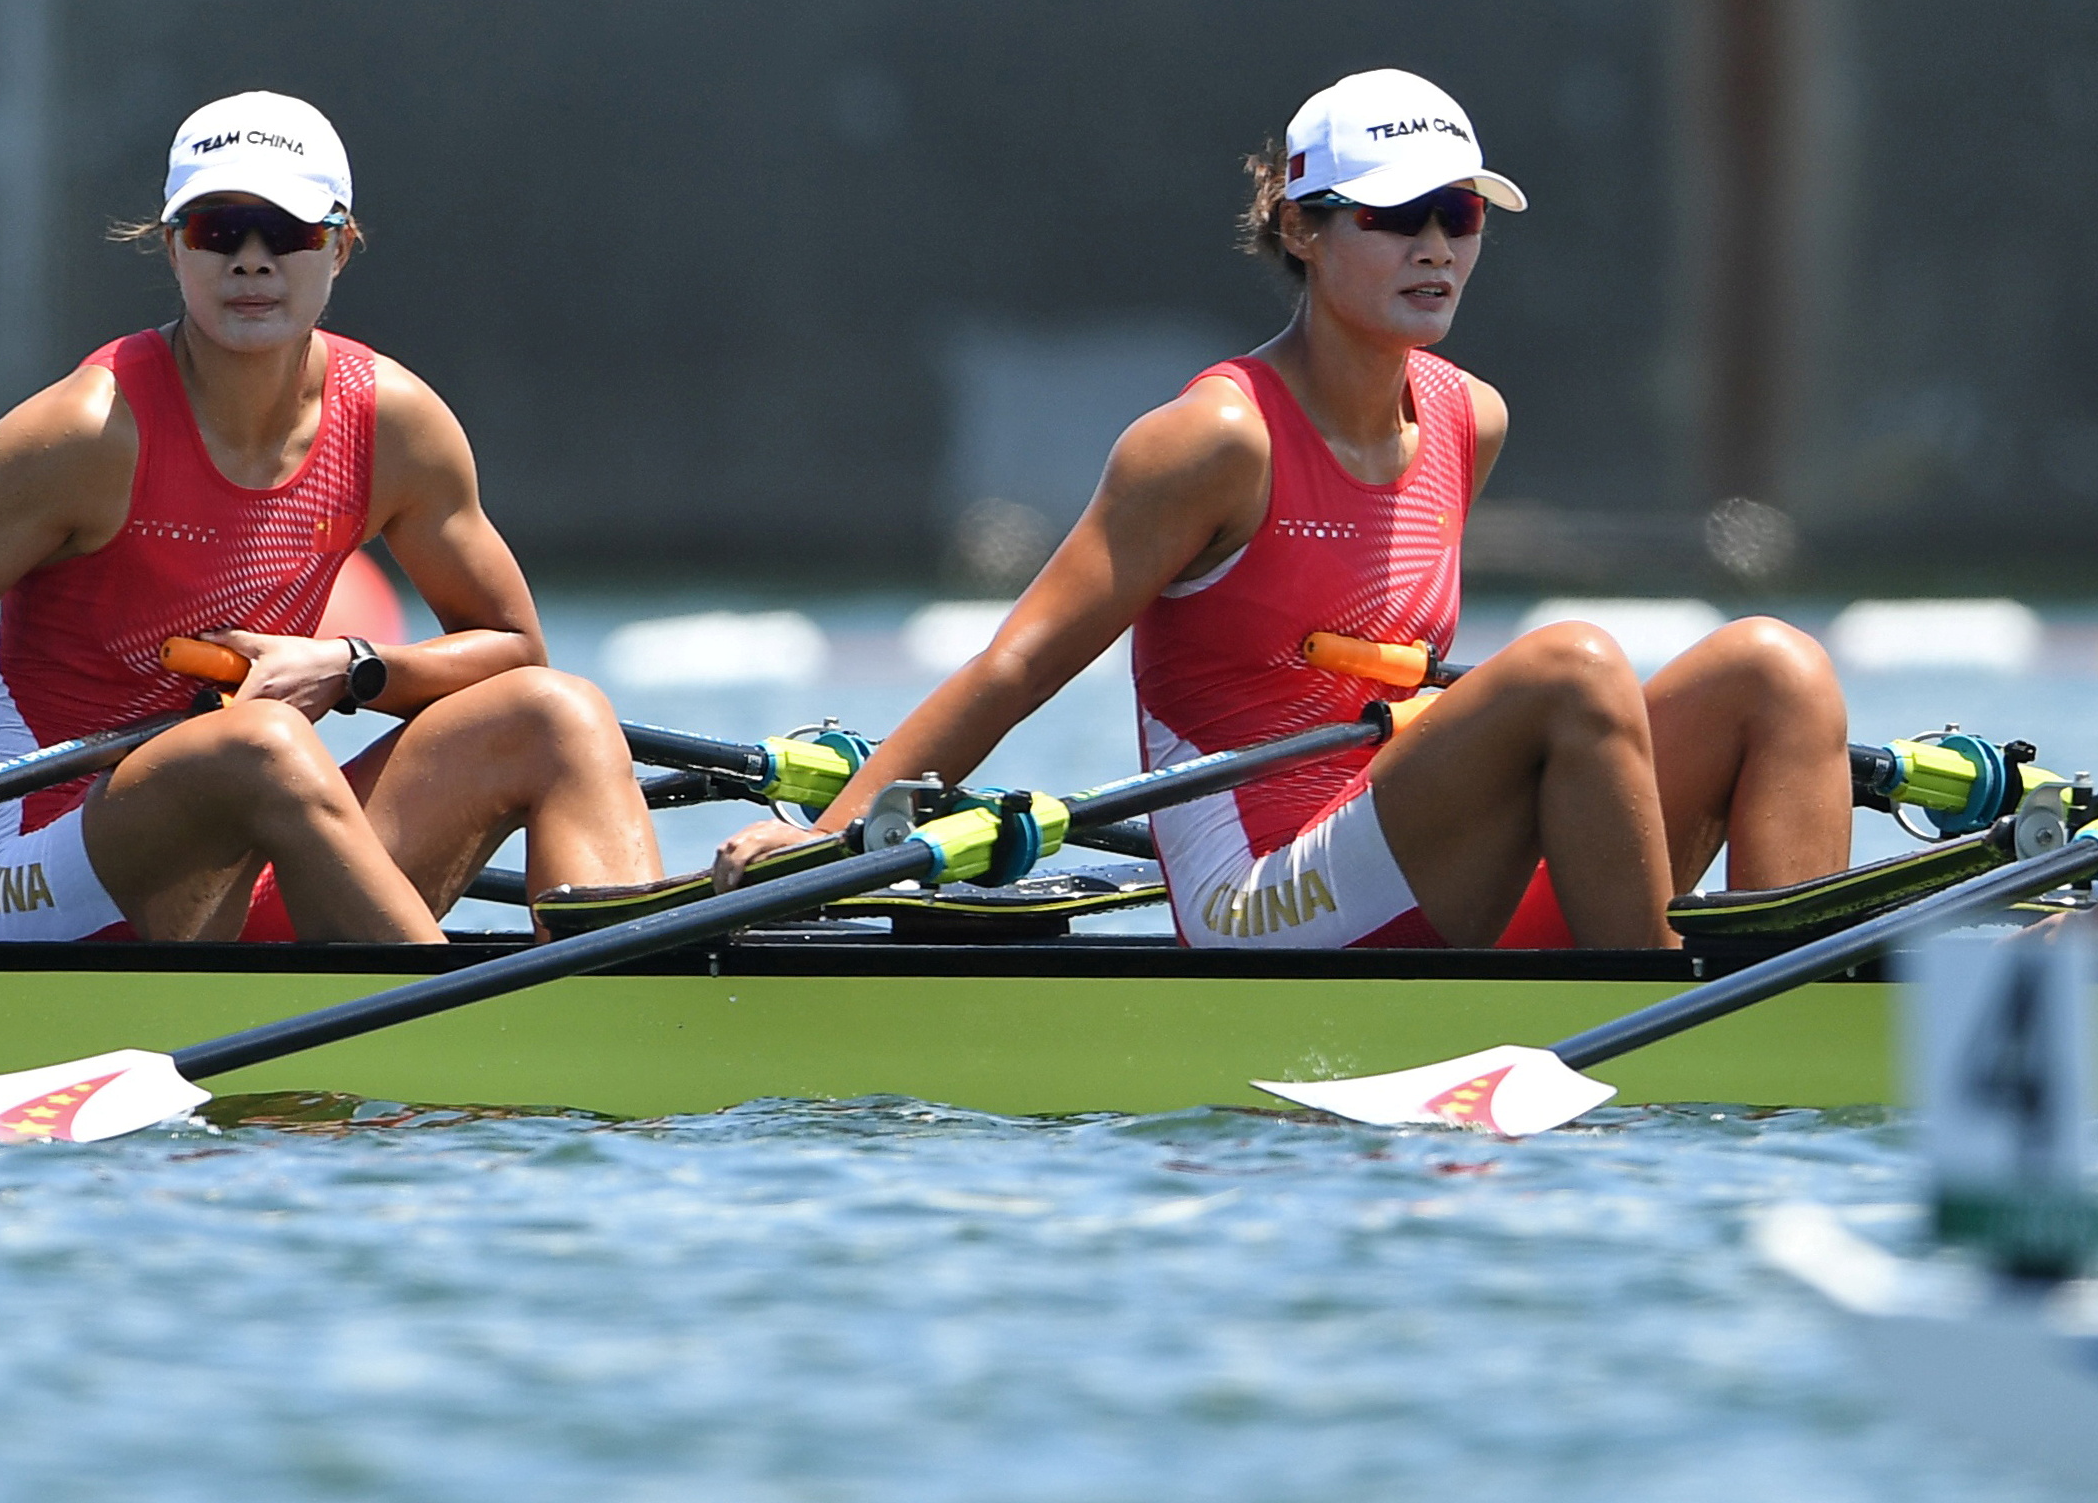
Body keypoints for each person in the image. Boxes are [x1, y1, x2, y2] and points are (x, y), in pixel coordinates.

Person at [713, 69, 1849, 949]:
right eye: (1394, 216)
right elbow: (1014, 667)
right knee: (1570, 666)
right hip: (1261, 894)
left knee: (1771, 665)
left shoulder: (1469, 419)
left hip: (1407, 863)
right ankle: (1667, 1036)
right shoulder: (1214, 441)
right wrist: (824, 844)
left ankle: (1789, 1011)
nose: (1436, 245)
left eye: (1459, 213)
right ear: (1300, 231)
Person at [0, 90, 658, 942]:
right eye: (216, 229)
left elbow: (510, 646)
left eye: (286, 232)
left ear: (339, 245)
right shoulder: (82, 432)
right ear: (171, 244)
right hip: (36, 864)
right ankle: (477, 1044)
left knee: (560, 714)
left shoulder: (393, 424)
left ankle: (644, 1014)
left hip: (259, 840)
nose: (250, 260)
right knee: (255, 746)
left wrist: (349, 667)